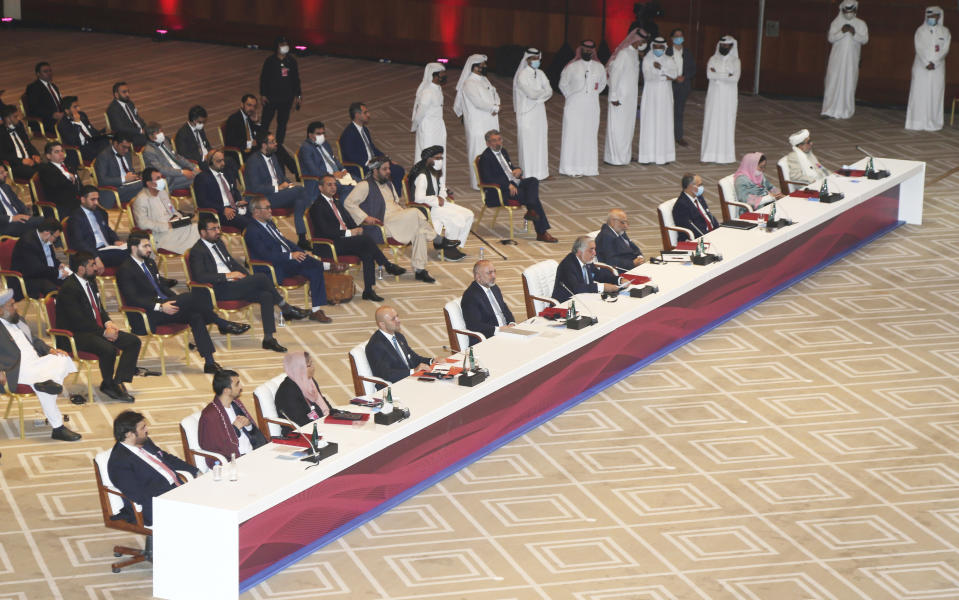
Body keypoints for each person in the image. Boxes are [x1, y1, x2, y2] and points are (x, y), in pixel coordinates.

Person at [118, 232, 247, 374]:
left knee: (195, 314)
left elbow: (162, 287)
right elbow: (132, 299)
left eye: (150, 245)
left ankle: (209, 362)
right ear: (134, 248)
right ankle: (221, 323)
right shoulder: (125, 269)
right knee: (191, 297)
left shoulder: (150, 262)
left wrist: (175, 300)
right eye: (146, 246)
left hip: (165, 305)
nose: (150, 249)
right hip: (146, 314)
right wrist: (161, 307)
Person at [190, 213, 309, 352]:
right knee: (261, 278)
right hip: (219, 289)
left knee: (266, 295)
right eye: (213, 229)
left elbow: (233, 264)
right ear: (203, 232)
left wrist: (245, 277)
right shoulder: (197, 251)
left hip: (234, 285)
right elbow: (200, 277)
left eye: (218, 228)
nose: (218, 231)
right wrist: (227, 275)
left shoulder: (219, 243)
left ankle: (268, 339)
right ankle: (286, 308)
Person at [344, 156, 445, 283]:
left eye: (389, 168)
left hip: (398, 221)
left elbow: (396, 204)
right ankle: (437, 238)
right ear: (375, 170)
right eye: (384, 169)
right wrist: (365, 217)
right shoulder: (364, 185)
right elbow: (348, 203)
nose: (388, 171)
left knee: (420, 231)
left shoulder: (388, 184)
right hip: (382, 226)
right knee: (415, 212)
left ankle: (420, 270)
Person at [56, 252, 141, 402]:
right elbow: (78, 321)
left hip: (94, 329)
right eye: (92, 265)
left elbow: (99, 309)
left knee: (133, 342)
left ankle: (118, 381)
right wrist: (104, 333)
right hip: (75, 335)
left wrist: (108, 323)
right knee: (108, 349)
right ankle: (108, 384)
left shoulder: (91, 282)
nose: (96, 268)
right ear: (81, 269)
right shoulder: (69, 289)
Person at [0, 287, 80, 441]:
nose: (16, 307)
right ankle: (57, 427)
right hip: (16, 371)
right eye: (11, 305)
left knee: (62, 358)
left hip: (36, 364)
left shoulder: (19, 320)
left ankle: (47, 383)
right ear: (1, 310)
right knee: (45, 386)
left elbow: (35, 341)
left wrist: (50, 350)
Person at [308, 174, 405, 301]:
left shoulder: (336, 202)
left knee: (367, 250)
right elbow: (326, 231)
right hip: (329, 244)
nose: (333, 187)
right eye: (329, 184)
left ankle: (368, 290)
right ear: (320, 188)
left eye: (334, 184)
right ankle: (386, 264)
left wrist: (357, 229)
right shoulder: (317, 207)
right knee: (365, 241)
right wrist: (350, 233)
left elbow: (349, 221)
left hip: (344, 241)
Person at [244, 197, 339, 322]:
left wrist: (299, 251)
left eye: (270, 207)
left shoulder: (270, 223)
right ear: (256, 212)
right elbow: (265, 255)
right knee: (314, 265)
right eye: (267, 208)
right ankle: (325, 266)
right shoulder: (252, 231)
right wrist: (290, 256)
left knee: (314, 269)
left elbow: (285, 241)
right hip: (272, 267)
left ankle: (316, 311)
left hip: (287, 262)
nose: (270, 210)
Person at [107, 410, 198, 526]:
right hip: (157, 504)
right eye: (142, 428)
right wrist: (174, 500)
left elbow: (166, 458)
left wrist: (194, 471)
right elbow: (139, 495)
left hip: (177, 490)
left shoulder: (144, 441)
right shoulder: (119, 463)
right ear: (129, 434)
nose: (146, 430)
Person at [477, 130, 557, 243]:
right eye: (494, 141)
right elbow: (487, 178)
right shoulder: (486, 158)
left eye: (499, 140)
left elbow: (510, 168)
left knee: (533, 181)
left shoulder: (503, 151)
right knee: (533, 199)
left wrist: (518, 170)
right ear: (488, 143)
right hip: (500, 191)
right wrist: (507, 185)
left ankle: (532, 211)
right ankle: (541, 232)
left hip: (514, 183)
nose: (498, 143)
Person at [245, 133, 313, 248]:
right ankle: (313, 226)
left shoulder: (273, 156)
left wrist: (288, 184)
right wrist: (278, 188)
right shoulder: (253, 161)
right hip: (264, 198)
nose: (276, 144)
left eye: (275, 141)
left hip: (280, 195)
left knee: (300, 200)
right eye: (272, 142)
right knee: (301, 190)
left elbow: (281, 177)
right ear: (264, 145)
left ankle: (302, 238)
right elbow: (255, 188)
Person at [409, 145, 473, 261]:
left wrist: (442, 195)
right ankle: (447, 250)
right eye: (437, 158)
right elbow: (418, 198)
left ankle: (456, 246)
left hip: (438, 205)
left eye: (441, 158)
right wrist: (436, 199)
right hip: (428, 208)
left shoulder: (436, 171)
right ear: (429, 159)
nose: (440, 161)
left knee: (469, 214)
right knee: (456, 217)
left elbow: (442, 187)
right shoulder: (423, 175)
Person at [197, 369, 266, 468]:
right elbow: (217, 447)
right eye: (237, 384)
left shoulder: (236, 404)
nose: (241, 387)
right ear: (226, 390)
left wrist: (248, 425)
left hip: (252, 453)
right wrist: (235, 429)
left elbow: (252, 433)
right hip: (237, 461)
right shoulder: (210, 416)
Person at [559, 40, 607, 177]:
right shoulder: (572, 66)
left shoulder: (599, 67)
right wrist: (572, 97)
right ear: (580, 50)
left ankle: (589, 168)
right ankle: (569, 168)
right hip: (574, 105)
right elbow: (563, 84)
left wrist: (591, 94)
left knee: (589, 135)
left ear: (594, 51)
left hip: (592, 105)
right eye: (585, 49)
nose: (587, 51)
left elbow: (602, 84)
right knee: (572, 135)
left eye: (590, 49)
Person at [453, 55, 500, 190]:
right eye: (482, 65)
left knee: (491, 149)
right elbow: (478, 102)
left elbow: (494, 93)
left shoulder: (484, 80)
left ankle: (491, 180)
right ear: (474, 67)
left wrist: (497, 104)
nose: (485, 67)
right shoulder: (469, 83)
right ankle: (478, 182)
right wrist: (493, 108)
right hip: (477, 124)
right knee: (478, 151)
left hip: (490, 120)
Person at [339, 102, 405, 193]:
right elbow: (351, 156)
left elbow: (372, 148)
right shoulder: (348, 134)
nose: (369, 115)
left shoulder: (364, 129)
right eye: (365, 113)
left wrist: (386, 159)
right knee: (393, 171)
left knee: (397, 169)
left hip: (373, 163)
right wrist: (371, 164)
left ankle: (394, 197)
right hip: (363, 167)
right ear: (357, 115)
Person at [259, 36, 301, 175]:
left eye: (286, 44)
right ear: (277, 46)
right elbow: (263, 78)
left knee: (282, 123)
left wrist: (298, 95)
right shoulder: (270, 61)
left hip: (286, 99)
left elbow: (296, 79)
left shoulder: (291, 61)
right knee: (265, 122)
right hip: (271, 98)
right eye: (282, 44)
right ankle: (262, 141)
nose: (285, 47)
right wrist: (263, 94)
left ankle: (279, 145)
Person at [132, 168, 199, 254]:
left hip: (174, 227)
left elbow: (172, 210)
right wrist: (166, 225)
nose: (162, 180)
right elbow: (143, 223)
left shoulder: (162, 193)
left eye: (161, 177)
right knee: (194, 235)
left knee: (196, 228)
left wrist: (178, 218)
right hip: (160, 234)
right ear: (149, 183)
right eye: (158, 179)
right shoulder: (142, 199)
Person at [905, 7, 951, 131]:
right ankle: (916, 122)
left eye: (934, 16)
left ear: (939, 16)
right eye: (929, 16)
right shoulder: (920, 31)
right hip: (921, 66)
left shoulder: (945, 32)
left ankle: (933, 123)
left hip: (938, 67)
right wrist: (926, 62)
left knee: (935, 94)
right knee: (919, 94)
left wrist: (934, 63)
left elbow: (945, 49)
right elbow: (918, 48)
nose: (932, 18)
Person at [821, 2, 869, 119]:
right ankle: (828, 110)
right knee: (832, 82)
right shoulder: (836, 22)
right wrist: (841, 31)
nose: (849, 14)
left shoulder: (861, 24)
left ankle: (845, 110)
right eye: (846, 11)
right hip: (836, 60)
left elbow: (865, 39)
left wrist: (854, 33)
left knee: (849, 83)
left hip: (851, 61)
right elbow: (830, 38)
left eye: (851, 11)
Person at [604, 31, 645, 166]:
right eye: (642, 41)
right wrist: (613, 96)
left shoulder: (634, 53)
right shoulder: (623, 54)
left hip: (630, 98)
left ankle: (625, 156)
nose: (643, 44)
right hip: (619, 97)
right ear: (634, 40)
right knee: (617, 127)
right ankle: (614, 158)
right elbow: (614, 74)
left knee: (628, 127)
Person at [365, 305, 433, 384]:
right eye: (393, 319)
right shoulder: (375, 345)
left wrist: (432, 361)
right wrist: (413, 371)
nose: (398, 320)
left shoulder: (398, 336)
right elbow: (386, 374)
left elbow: (413, 358)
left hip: (410, 379)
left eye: (397, 316)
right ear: (382, 324)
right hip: (394, 386)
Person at [512, 48, 552, 180]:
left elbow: (550, 91)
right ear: (527, 59)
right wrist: (541, 94)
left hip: (540, 112)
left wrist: (540, 95)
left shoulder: (540, 73)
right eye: (533, 59)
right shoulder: (522, 75)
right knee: (528, 142)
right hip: (527, 113)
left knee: (540, 140)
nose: (536, 62)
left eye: (537, 59)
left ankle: (542, 173)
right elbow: (531, 94)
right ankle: (528, 173)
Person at [701, 36, 741, 164]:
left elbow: (735, 78)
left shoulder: (736, 61)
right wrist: (725, 75)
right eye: (722, 45)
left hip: (728, 99)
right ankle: (708, 155)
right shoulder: (713, 59)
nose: (724, 47)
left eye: (727, 45)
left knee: (726, 124)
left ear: (731, 46)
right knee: (711, 123)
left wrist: (718, 75)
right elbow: (709, 75)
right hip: (714, 97)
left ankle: (725, 156)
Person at [274, 351, 335, 434]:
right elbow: (300, 423)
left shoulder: (310, 381)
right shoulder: (287, 391)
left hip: (319, 426)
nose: (313, 367)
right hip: (301, 435)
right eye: (310, 365)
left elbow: (325, 404)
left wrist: (333, 418)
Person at [638, 37, 677, 165]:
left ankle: (664, 156)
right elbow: (648, 77)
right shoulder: (647, 59)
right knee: (650, 122)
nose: (658, 50)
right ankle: (647, 156)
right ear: (652, 47)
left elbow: (674, 75)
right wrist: (664, 76)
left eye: (661, 47)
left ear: (664, 47)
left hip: (665, 96)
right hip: (651, 96)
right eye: (656, 47)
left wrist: (661, 69)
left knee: (664, 123)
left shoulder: (669, 59)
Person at [67, 186, 128, 268]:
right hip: (92, 253)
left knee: (135, 247)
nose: (96, 202)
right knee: (129, 254)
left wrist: (115, 240)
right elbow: (79, 243)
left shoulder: (99, 212)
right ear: (83, 200)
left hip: (107, 248)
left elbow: (107, 229)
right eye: (93, 199)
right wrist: (95, 257)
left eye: (97, 199)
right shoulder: (75, 218)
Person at [193, 150, 252, 231]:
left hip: (234, 207)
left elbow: (234, 189)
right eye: (219, 161)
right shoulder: (202, 178)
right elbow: (202, 202)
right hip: (219, 212)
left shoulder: (227, 172)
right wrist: (223, 209)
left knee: (259, 216)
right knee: (249, 224)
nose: (223, 163)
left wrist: (238, 201)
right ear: (210, 162)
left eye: (223, 160)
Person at [11, 219, 69, 300]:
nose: (55, 240)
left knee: (72, 281)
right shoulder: (28, 242)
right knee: (50, 288)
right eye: (55, 237)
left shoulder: (46, 239)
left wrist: (59, 264)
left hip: (45, 273)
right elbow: (36, 269)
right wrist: (58, 273)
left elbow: (51, 259)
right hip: (28, 279)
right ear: (47, 233)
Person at [298, 121, 356, 202]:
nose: (321, 136)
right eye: (318, 134)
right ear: (310, 135)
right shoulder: (306, 148)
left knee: (362, 183)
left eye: (323, 133)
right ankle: (343, 212)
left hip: (338, 175)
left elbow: (333, 159)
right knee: (347, 189)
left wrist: (343, 170)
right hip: (322, 180)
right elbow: (314, 171)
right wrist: (332, 175)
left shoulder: (325, 143)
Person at [552, 236, 621, 303]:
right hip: (566, 305)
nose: (594, 253)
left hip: (584, 300)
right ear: (579, 252)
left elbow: (601, 276)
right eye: (591, 249)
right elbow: (577, 288)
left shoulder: (586, 261)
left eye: (594, 249)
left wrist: (619, 280)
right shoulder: (568, 265)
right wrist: (602, 287)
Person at [461, 259, 515, 343]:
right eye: (489, 273)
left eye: (494, 272)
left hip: (506, 332)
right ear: (478, 277)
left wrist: (512, 323)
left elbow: (504, 308)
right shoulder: (470, 296)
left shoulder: (494, 287)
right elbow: (474, 325)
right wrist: (499, 329)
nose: (494, 276)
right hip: (489, 338)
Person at [411, 62, 448, 176]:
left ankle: (439, 182)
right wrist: (416, 125)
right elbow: (420, 112)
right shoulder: (427, 91)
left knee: (440, 154)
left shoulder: (438, 88)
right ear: (434, 75)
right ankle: (426, 183)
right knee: (428, 154)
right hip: (428, 128)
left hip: (438, 126)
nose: (444, 76)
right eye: (442, 74)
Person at [142, 123, 199, 192]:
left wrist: (193, 167)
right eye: (158, 132)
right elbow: (161, 170)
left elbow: (177, 157)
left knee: (201, 174)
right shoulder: (148, 151)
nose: (161, 134)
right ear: (150, 136)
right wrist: (181, 172)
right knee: (198, 179)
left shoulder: (165, 141)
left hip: (179, 171)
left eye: (161, 131)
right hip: (169, 178)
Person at [57, 96, 109, 167]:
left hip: (92, 142)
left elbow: (91, 131)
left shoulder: (82, 115)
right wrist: (77, 123)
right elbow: (73, 141)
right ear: (67, 110)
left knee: (108, 140)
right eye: (75, 107)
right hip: (81, 148)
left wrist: (102, 133)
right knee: (105, 152)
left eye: (78, 106)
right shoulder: (63, 124)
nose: (78, 109)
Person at [94, 133, 142, 207]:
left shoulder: (127, 153)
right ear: (116, 144)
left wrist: (135, 176)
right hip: (115, 189)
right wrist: (124, 179)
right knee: (148, 187)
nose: (126, 150)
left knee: (150, 183)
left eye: (128, 148)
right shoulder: (103, 156)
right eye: (124, 147)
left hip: (129, 186)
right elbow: (102, 180)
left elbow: (131, 171)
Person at [666, 28, 696, 147]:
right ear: (672, 38)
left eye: (681, 35)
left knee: (679, 111)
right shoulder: (667, 52)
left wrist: (684, 77)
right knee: (667, 111)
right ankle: (666, 135)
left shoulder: (687, 53)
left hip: (683, 86)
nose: (679, 38)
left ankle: (678, 136)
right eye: (676, 36)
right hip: (669, 85)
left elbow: (692, 69)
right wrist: (673, 78)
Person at [37, 140, 82, 216]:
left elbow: (79, 183)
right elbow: (59, 184)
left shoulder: (68, 165)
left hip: (75, 199)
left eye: (62, 151)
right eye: (57, 152)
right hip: (62, 204)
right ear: (48, 156)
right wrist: (67, 175)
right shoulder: (46, 169)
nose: (61, 154)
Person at [672, 173, 719, 241]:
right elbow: (692, 229)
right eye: (699, 185)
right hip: (696, 240)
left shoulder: (699, 197)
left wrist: (718, 230)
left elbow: (709, 215)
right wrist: (711, 237)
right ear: (690, 186)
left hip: (710, 234)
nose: (702, 187)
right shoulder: (681, 205)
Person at [0, 104, 42, 180]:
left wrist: (35, 154)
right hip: (16, 165)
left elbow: (28, 143)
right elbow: (2, 155)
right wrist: (21, 161)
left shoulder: (19, 125)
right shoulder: (1, 132)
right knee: (37, 175)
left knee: (47, 169)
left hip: (29, 159)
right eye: (15, 117)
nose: (18, 118)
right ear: (7, 119)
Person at [0, 163, 42, 236]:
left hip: (18, 220)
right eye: (1, 173)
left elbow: (19, 204)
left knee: (44, 222)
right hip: (5, 225)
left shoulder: (5, 187)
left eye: (5, 171)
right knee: (40, 224)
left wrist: (26, 215)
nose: (6, 174)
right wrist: (12, 218)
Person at [23, 61, 64, 133]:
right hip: (46, 120)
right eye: (45, 71)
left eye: (50, 71)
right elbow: (34, 108)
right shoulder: (33, 87)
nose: (49, 73)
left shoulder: (53, 86)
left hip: (60, 117)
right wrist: (52, 114)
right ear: (38, 74)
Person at [105, 82, 147, 147]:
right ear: (116, 95)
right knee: (149, 139)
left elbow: (137, 118)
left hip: (139, 132)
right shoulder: (113, 109)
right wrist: (140, 131)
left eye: (128, 91)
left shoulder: (130, 103)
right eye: (124, 92)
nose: (127, 94)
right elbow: (120, 128)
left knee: (160, 135)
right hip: (128, 136)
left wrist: (146, 127)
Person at [223, 94, 262, 160]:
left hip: (253, 148)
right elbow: (231, 142)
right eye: (249, 105)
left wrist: (256, 122)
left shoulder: (250, 116)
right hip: (242, 152)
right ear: (242, 104)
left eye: (254, 106)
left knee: (276, 147)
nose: (252, 109)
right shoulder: (234, 119)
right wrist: (250, 143)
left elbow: (259, 133)